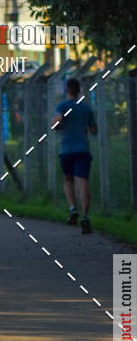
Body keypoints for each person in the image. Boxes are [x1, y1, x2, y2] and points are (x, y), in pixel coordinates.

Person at [53, 78, 98, 234]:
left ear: (67, 90)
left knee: (68, 180)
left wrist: (60, 122)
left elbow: (56, 125)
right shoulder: (86, 109)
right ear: (79, 90)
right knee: (83, 182)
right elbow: (94, 130)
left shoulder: (62, 106)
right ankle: (85, 216)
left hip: (66, 150)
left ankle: (73, 208)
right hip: (82, 149)